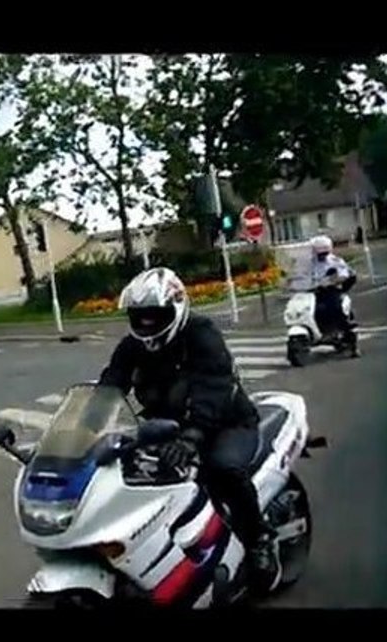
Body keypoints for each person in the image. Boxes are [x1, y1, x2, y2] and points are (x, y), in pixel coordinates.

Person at [98, 267, 280, 592]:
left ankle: (259, 540)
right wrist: (82, 429)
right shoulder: (133, 346)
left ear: (176, 309)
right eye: (139, 316)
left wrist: (193, 436)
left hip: (225, 422)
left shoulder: (201, 334)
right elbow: (110, 385)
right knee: (127, 474)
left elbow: (213, 388)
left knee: (223, 469)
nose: (146, 323)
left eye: (154, 315)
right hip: (167, 428)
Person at [310, 234, 359, 357]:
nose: (322, 255)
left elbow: (343, 274)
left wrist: (332, 281)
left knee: (338, 309)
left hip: (332, 291)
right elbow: (301, 275)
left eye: (324, 253)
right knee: (309, 309)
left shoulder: (335, 261)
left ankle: (352, 344)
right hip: (315, 292)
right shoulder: (310, 263)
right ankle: (316, 332)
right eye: (319, 253)